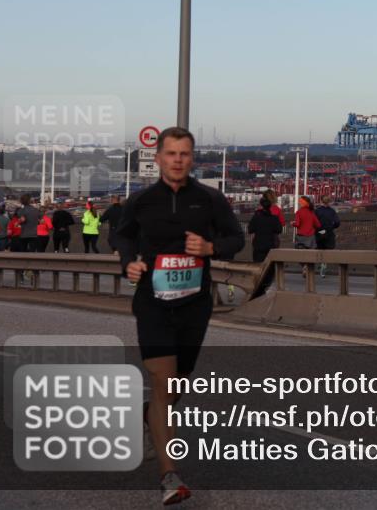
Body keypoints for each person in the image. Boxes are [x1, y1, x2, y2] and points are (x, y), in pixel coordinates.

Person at [114, 127, 244, 505]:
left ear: (192, 158)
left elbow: (237, 238)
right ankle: (170, 476)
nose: (177, 160)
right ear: (158, 158)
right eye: (170, 154)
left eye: (184, 154)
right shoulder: (140, 201)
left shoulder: (209, 199)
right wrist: (129, 264)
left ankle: (150, 416)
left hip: (194, 304)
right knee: (164, 384)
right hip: (152, 303)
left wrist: (210, 247)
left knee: (175, 387)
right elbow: (121, 236)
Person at [247, 196, 283, 300]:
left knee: (258, 267)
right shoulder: (274, 218)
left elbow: (250, 229)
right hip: (270, 246)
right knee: (269, 269)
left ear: (261, 206)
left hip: (258, 245)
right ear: (270, 206)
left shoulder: (256, 217)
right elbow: (279, 230)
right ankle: (266, 287)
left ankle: (257, 289)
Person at [314, 194, 341, 279]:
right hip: (329, 233)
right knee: (327, 250)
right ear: (329, 202)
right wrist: (331, 227)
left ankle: (319, 263)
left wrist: (318, 229)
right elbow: (337, 222)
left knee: (319, 249)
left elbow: (314, 222)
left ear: (321, 201)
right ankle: (324, 265)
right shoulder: (332, 211)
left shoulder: (317, 211)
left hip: (319, 233)